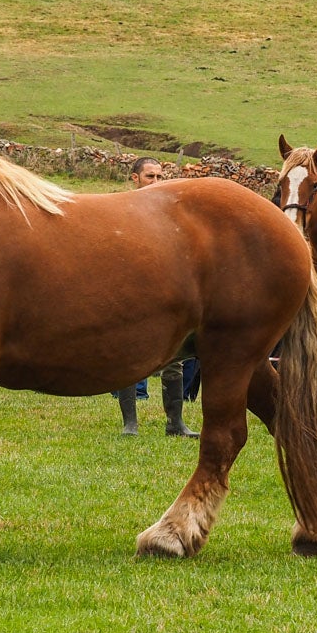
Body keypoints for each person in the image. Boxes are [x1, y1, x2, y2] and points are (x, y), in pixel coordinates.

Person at [112, 157, 198, 438]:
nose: (157, 183)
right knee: (128, 357)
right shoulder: (118, 211)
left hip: (166, 300)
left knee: (175, 357)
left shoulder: (169, 212)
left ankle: (175, 423)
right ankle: (130, 424)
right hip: (129, 297)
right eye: (150, 177)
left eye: (160, 177)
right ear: (135, 179)